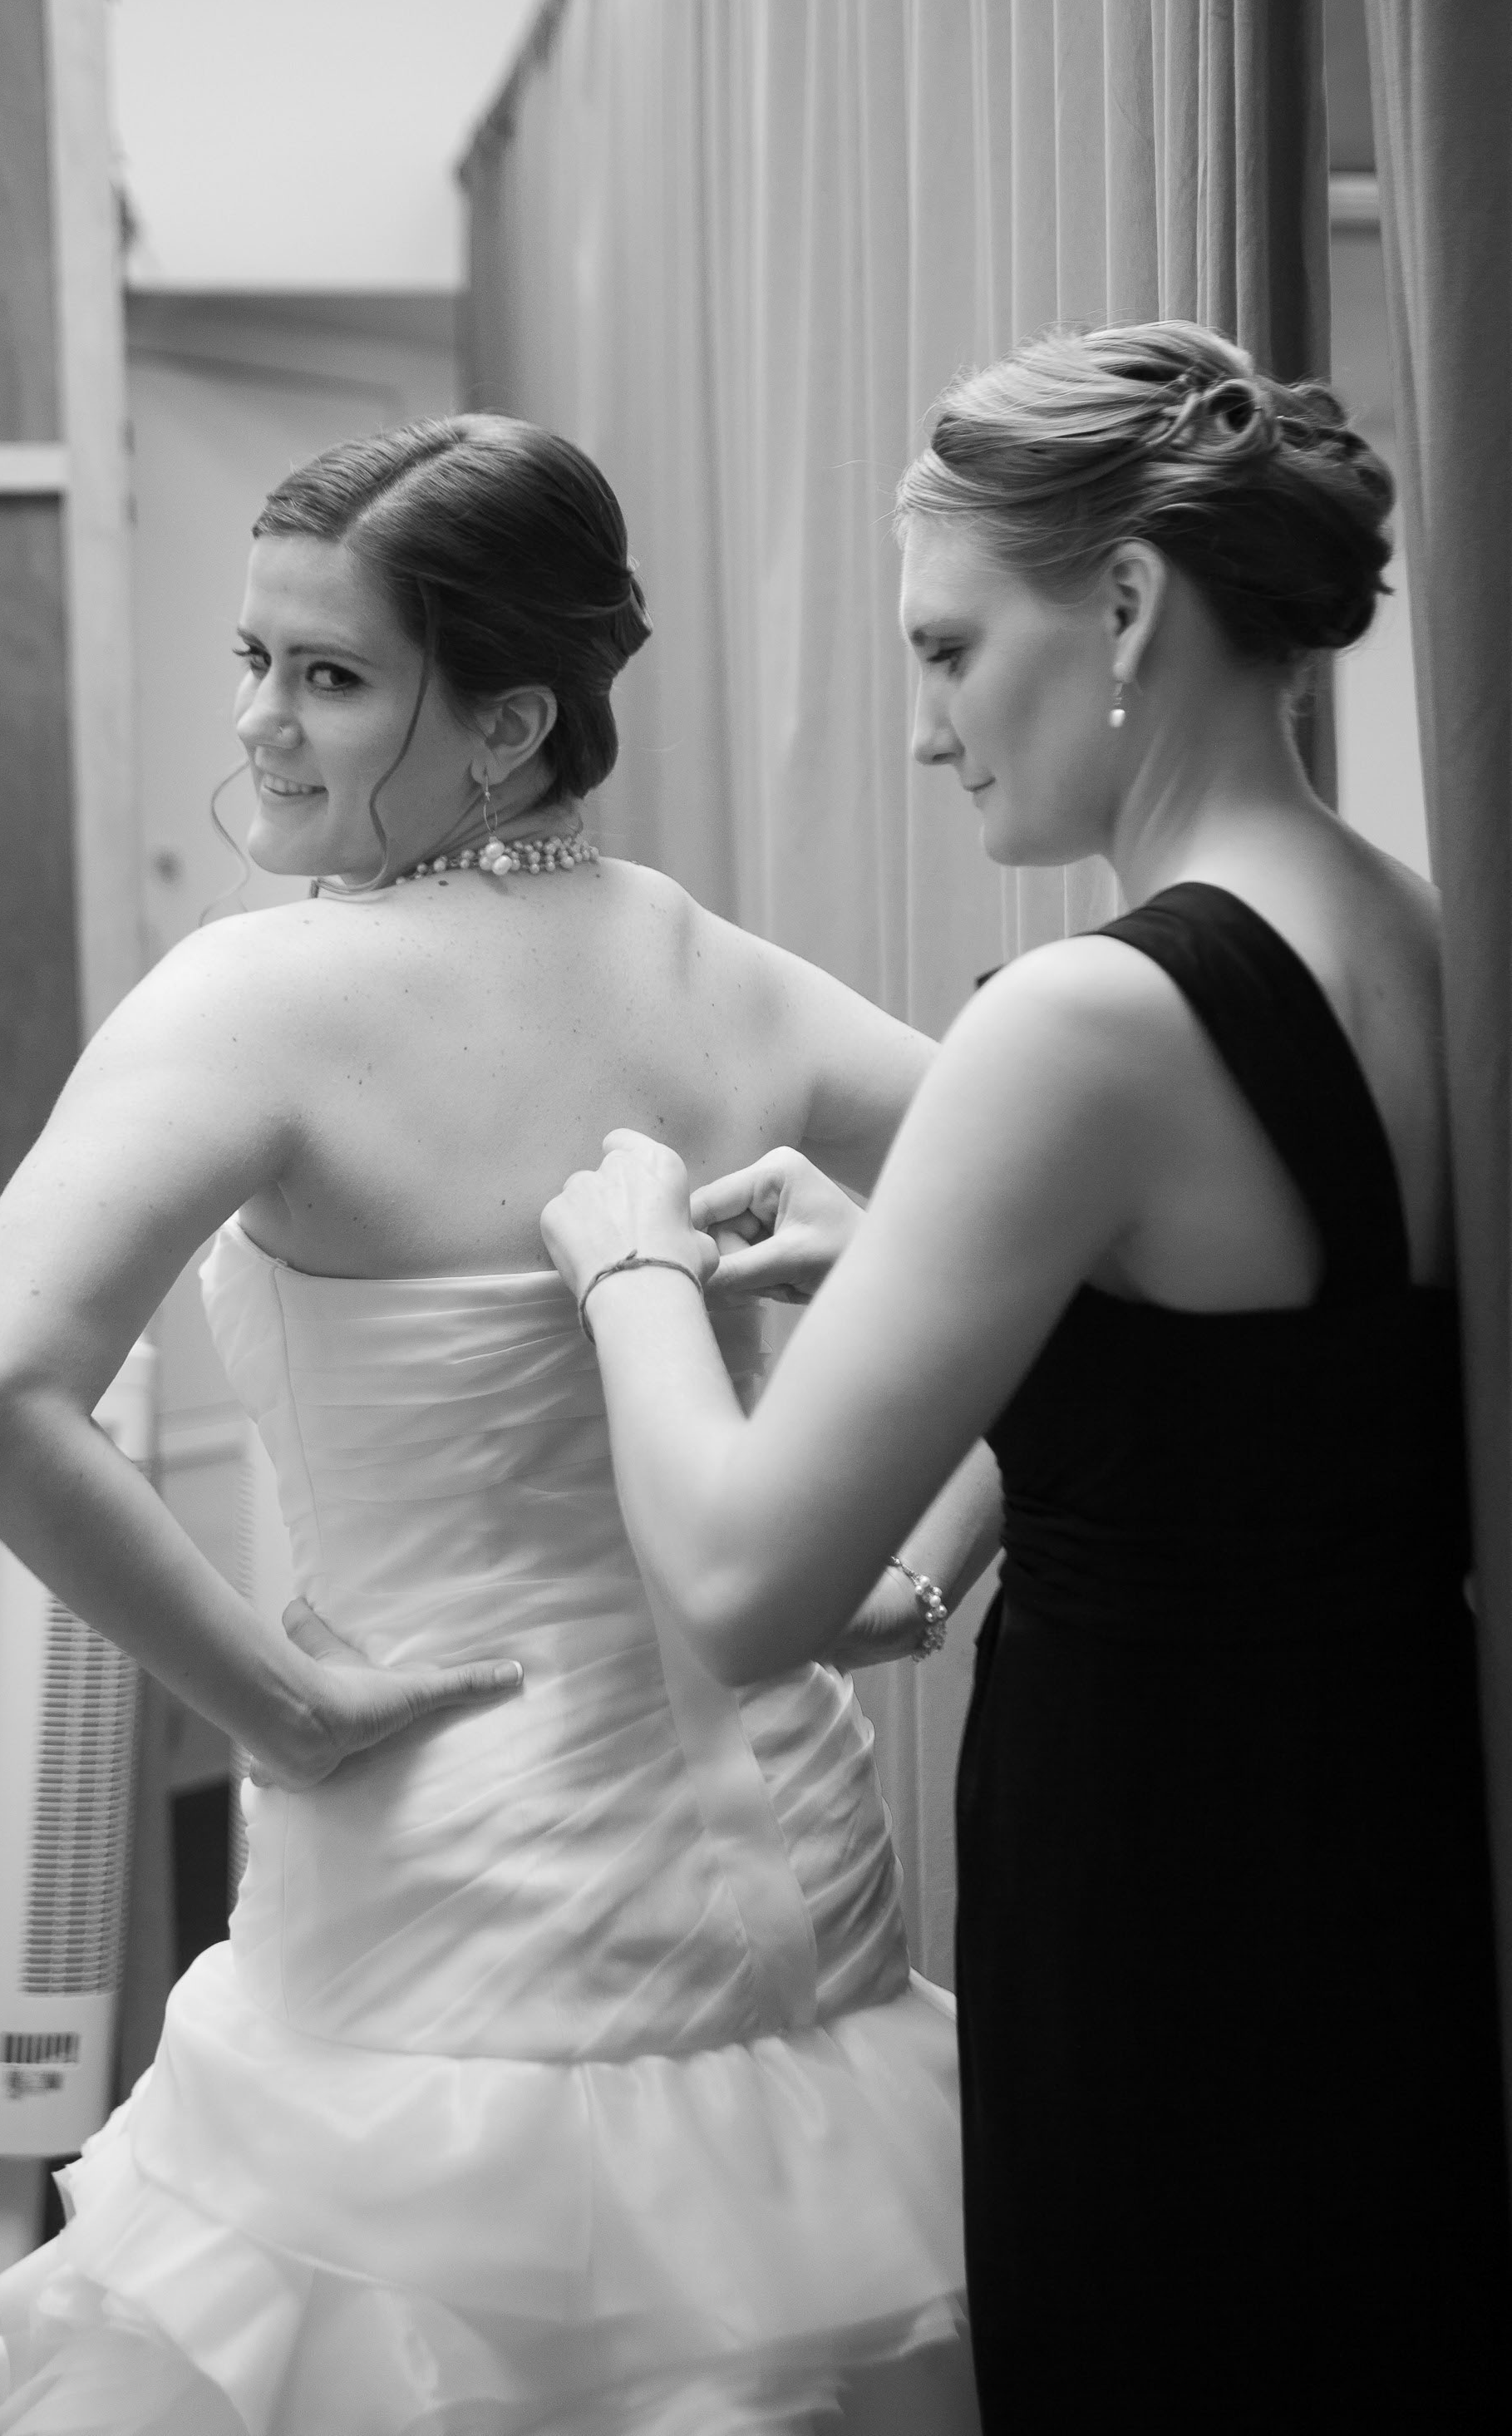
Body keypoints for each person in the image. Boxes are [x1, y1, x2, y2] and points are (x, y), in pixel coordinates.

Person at [0, 416, 987, 2436]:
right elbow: (1070, 1253)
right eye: (256, 660)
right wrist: (914, 1557)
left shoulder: (258, 998)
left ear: (505, 727)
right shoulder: (711, 966)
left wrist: (276, 1707)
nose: (262, 724)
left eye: (329, 677)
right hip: (791, 1883)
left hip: (436, 1875)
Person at [540, 322, 1512, 2433]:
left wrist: (623, 1261)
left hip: (1162, 1903)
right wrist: (908, 1260)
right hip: (1394, 1856)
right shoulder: (1432, 938)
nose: (923, 730)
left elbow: (741, 1591)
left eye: (948, 649)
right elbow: (1260, 1391)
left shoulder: (1079, 1021)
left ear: (1131, 612)